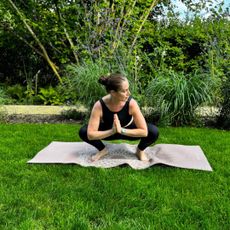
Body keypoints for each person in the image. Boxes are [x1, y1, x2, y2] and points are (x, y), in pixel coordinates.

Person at [79, 73, 159, 162]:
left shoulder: (131, 103)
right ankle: (102, 150)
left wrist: (121, 130)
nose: (129, 93)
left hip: (127, 129)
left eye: (128, 89)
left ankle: (139, 151)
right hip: (109, 130)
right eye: (124, 91)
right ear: (113, 92)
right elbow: (90, 135)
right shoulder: (99, 105)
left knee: (153, 131)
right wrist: (112, 131)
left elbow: (144, 132)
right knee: (83, 132)